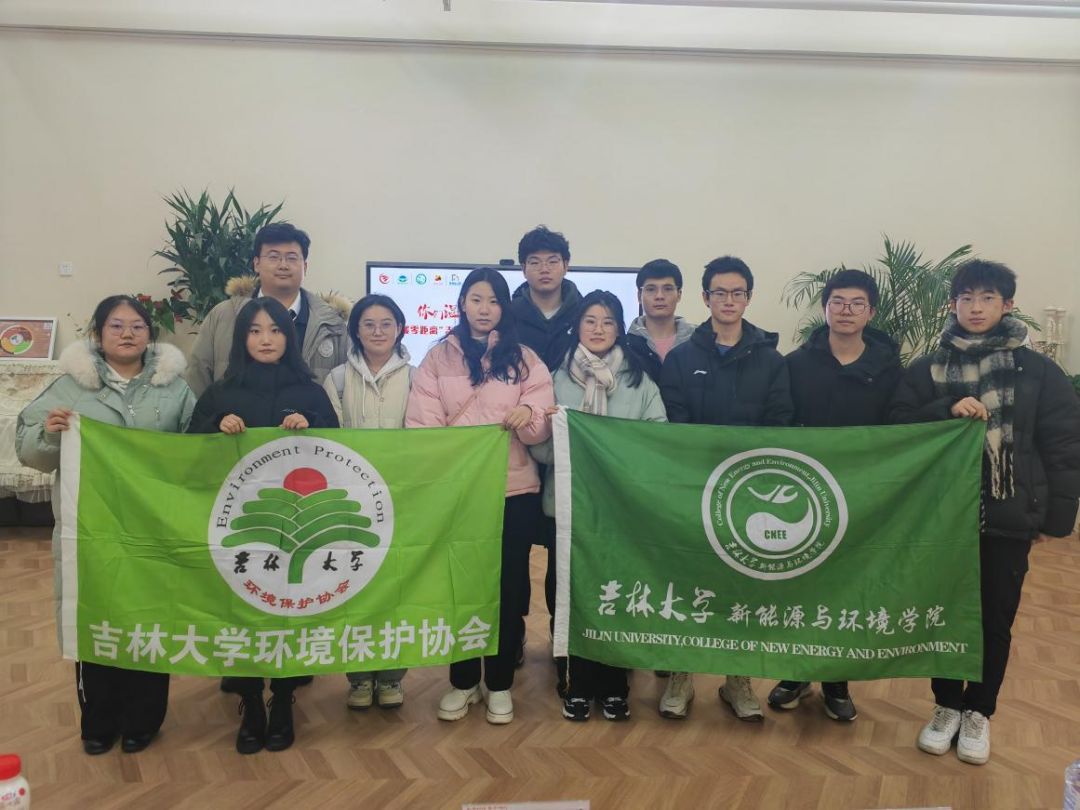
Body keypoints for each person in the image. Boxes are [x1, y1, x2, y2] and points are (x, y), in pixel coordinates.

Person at [891, 259, 1080, 765]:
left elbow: (1064, 445)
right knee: (943, 611)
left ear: (1007, 304)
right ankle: (946, 705)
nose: (976, 307)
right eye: (967, 297)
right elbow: (897, 424)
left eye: (988, 298)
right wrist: (945, 409)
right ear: (953, 303)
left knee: (995, 618)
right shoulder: (927, 369)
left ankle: (979, 711)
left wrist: (1056, 517)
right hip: (939, 517)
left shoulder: (1038, 371)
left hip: (1008, 512)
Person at [16, 295, 196, 756]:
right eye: (116, 325)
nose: (127, 334)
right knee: (96, 616)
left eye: (137, 326)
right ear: (98, 333)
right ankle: (98, 720)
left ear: (150, 334)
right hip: (90, 528)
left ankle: (143, 720)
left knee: (150, 619)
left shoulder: (174, 389)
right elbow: (29, 451)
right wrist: (48, 433)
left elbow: (195, 451)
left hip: (154, 527)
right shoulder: (69, 388)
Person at [189, 297, 339, 754]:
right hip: (239, 529)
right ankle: (251, 702)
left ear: (288, 337)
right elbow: (189, 449)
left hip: (297, 527)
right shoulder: (221, 391)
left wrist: (310, 424)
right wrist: (217, 425)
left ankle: (284, 699)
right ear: (241, 338)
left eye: (274, 330)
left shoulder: (310, 391)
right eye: (255, 331)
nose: (265, 339)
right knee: (242, 611)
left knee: (290, 611)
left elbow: (340, 448)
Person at [406, 267, 554, 725]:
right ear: (462, 304)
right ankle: (464, 680)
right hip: (459, 493)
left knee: (508, 588)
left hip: (514, 492)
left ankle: (500, 683)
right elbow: (423, 424)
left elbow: (542, 423)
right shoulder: (438, 358)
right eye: (476, 299)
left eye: (493, 300)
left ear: (504, 307)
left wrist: (529, 412)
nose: (484, 308)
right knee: (461, 588)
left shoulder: (525, 359)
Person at [658, 255, 794, 722]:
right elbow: (673, 421)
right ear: (705, 298)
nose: (729, 300)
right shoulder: (682, 358)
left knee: (745, 587)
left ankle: (738, 679)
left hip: (749, 494)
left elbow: (781, 422)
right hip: (693, 489)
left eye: (738, 293)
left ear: (749, 298)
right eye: (720, 292)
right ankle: (681, 674)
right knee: (687, 580)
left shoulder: (771, 360)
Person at [765, 269, 903, 723]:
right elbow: (780, 422)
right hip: (804, 495)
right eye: (837, 302)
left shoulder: (889, 369)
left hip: (862, 496)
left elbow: (902, 425)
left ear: (871, 312)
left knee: (847, 587)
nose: (846, 311)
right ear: (825, 308)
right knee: (801, 583)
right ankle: (796, 671)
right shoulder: (795, 364)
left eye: (857, 303)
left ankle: (837, 680)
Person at [530, 291, 667, 722]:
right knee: (567, 592)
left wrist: (616, 456)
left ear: (620, 328)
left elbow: (657, 439)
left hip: (620, 508)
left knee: (616, 592)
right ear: (577, 326)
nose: (598, 329)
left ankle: (613, 683)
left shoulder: (639, 381)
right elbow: (539, 450)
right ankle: (574, 680)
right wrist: (553, 433)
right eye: (590, 320)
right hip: (568, 504)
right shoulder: (555, 377)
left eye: (608, 321)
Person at [323, 294, 414, 711]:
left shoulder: (416, 377)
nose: (378, 332)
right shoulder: (338, 378)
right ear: (356, 331)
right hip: (351, 502)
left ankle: (392, 676)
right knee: (353, 587)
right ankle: (358, 677)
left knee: (397, 589)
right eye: (369, 324)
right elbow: (330, 439)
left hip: (402, 498)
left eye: (386, 323)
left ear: (400, 328)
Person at [186, 222, 348, 396]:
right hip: (233, 414)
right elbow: (197, 377)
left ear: (305, 267)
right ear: (256, 264)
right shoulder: (223, 315)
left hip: (309, 414)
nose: (283, 265)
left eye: (292, 258)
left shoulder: (331, 324)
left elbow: (345, 391)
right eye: (273, 257)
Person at [510, 225, 584, 372]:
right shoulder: (509, 315)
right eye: (535, 262)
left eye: (552, 262)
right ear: (523, 269)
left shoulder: (583, 313)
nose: (544, 269)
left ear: (566, 266)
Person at [627, 259, 695, 383]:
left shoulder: (698, 341)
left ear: (679, 295)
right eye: (651, 289)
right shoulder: (627, 345)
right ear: (639, 296)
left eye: (668, 289)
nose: (659, 296)